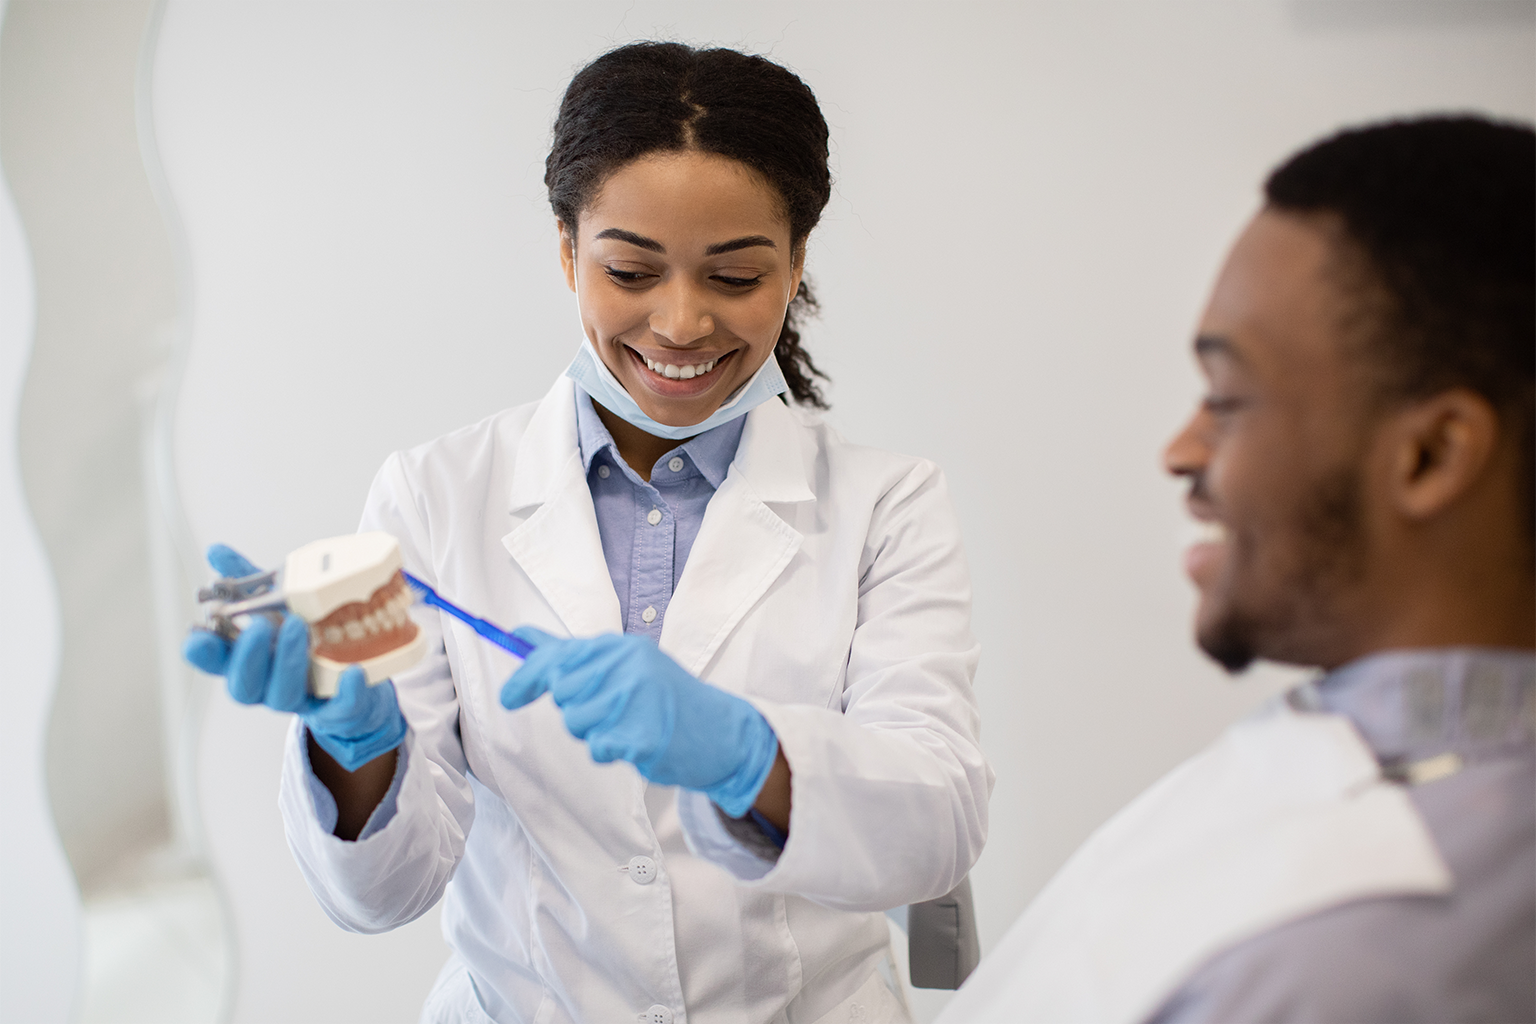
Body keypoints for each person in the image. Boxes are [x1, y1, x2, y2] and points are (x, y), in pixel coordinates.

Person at [184, 42, 991, 1024]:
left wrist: (749, 754)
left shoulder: (885, 506)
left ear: (796, 262)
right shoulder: (437, 495)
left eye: (734, 276)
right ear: (567, 250)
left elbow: (939, 820)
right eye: (629, 270)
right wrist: (358, 748)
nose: (682, 322)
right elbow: (382, 893)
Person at [937, 115, 1535, 1023]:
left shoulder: (1342, 961)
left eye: (1227, 399)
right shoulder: (1351, 742)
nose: (1181, 450)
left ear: (1431, 456)